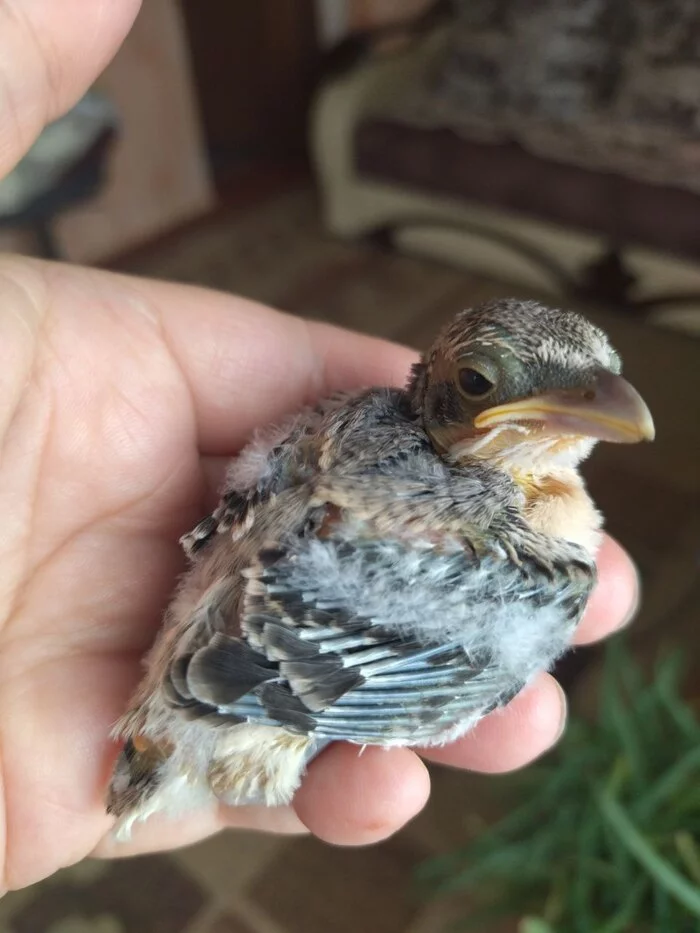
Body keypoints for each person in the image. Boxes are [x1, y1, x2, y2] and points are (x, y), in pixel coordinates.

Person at [0, 1, 639, 892]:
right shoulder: (526, 566)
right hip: (234, 689)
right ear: (443, 391)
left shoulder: (349, 426)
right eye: (489, 386)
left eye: (599, 382)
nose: (607, 409)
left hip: (238, 648)